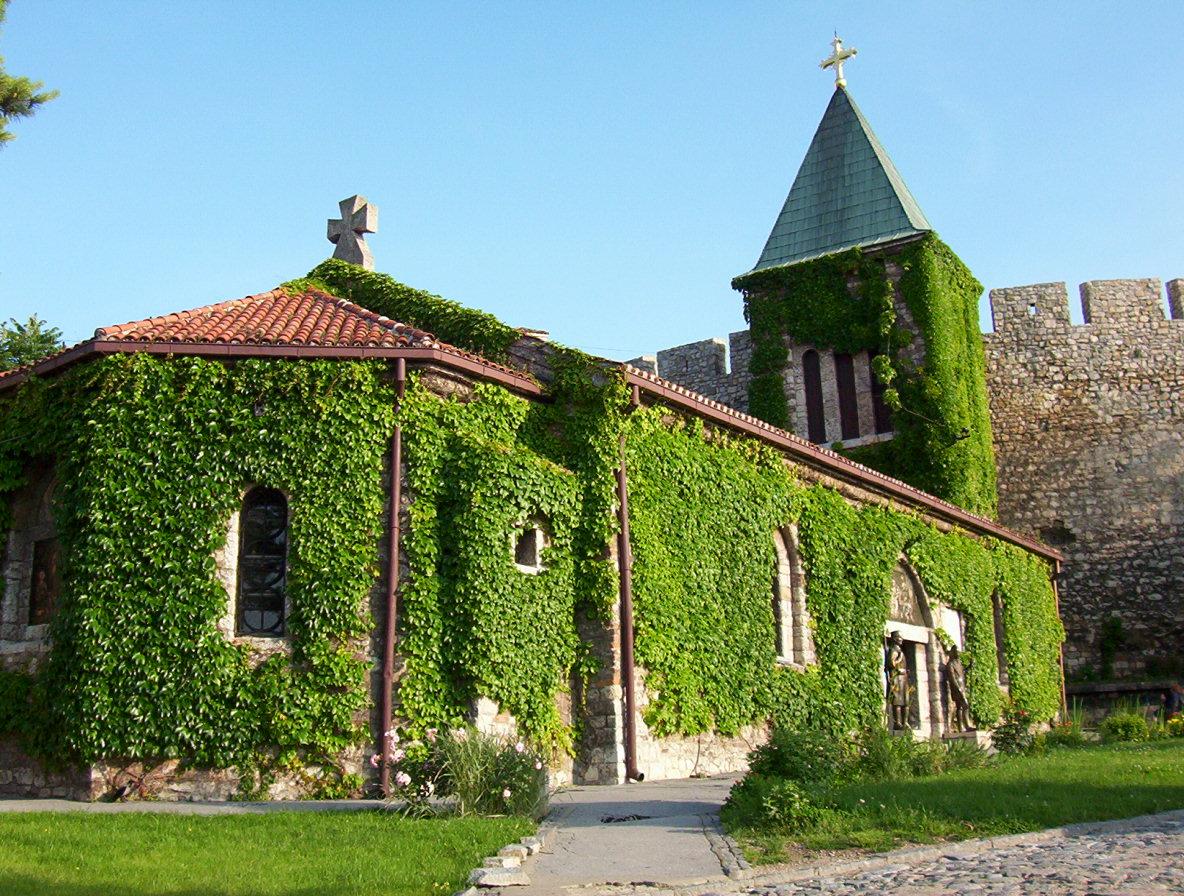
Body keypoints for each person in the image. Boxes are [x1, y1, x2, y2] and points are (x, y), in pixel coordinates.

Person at [945, 644, 972, 732]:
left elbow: (962, 672)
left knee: (960, 707)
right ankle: (967, 725)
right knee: (965, 705)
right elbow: (952, 678)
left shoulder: (958, 663)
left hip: (962, 685)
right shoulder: (950, 664)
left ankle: (961, 727)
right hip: (957, 688)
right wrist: (959, 689)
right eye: (956, 652)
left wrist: (970, 666)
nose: (958, 654)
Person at [886, 631, 910, 730]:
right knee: (898, 701)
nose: (902, 639)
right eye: (900, 637)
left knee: (906, 701)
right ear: (895, 638)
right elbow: (891, 664)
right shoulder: (894, 651)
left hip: (903, 678)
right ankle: (898, 723)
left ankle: (905, 722)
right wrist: (899, 659)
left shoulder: (900, 650)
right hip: (897, 678)